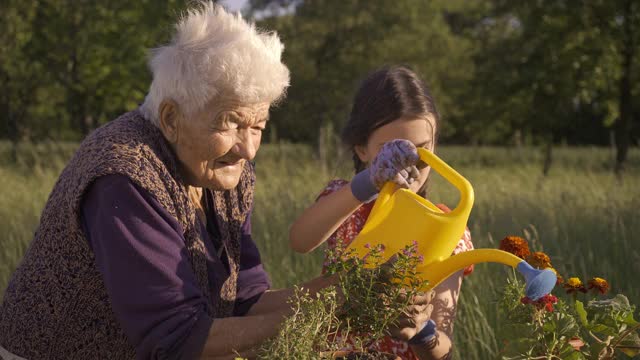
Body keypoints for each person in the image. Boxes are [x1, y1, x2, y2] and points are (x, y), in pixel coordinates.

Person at [0, 5, 432, 360]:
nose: (247, 149)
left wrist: (362, 291)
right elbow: (175, 338)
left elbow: (244, 299)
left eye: (259, 125)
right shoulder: (124, 176)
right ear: (171, 118)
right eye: (230, 123)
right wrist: (336, 309)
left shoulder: (224, 170)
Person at [289, 66, 475, 359]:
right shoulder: (347, 201)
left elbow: (443, 347)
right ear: (362, 148)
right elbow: (300, 240)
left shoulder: (444, 227)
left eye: (422, 152)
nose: (409, 167)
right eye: (392, 152)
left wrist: (421, 331)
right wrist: (367, 184)